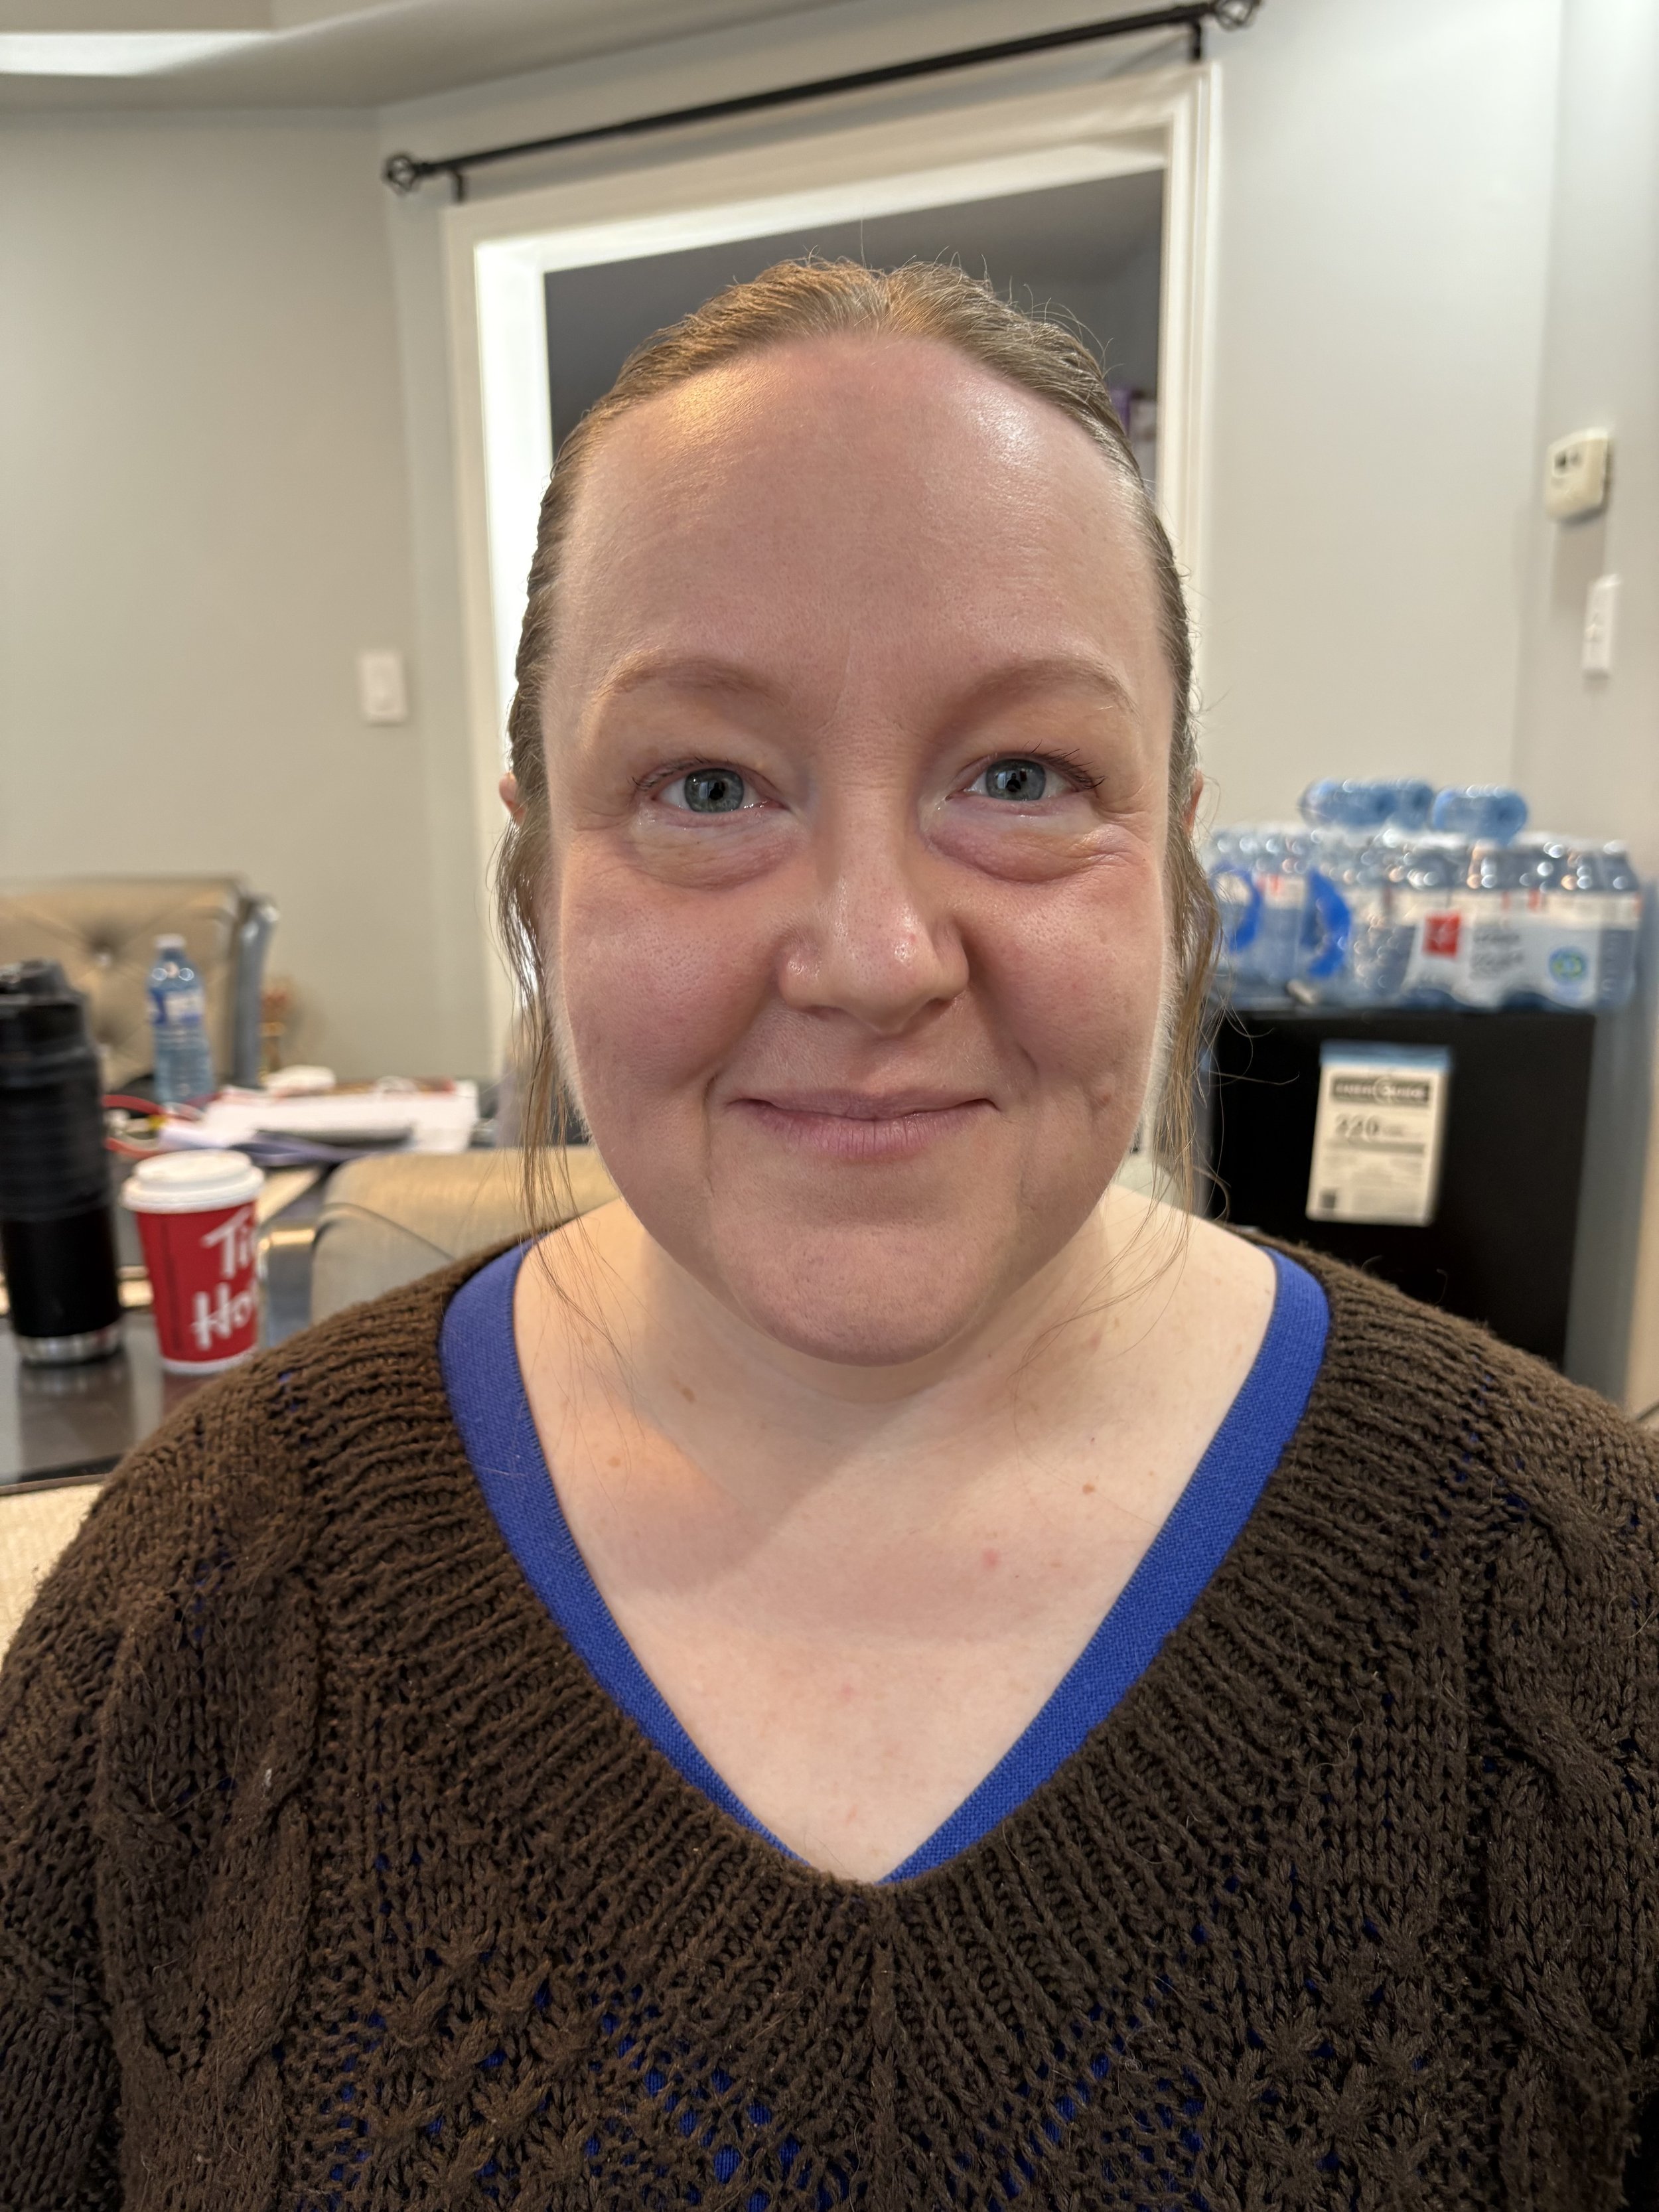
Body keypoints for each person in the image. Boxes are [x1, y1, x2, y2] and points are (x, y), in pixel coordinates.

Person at [3, 260, 1656, 2209]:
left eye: (1020, 778)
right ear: (536, 866)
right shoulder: (196, 1599)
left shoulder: (1586, 1608)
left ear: (1176, 857)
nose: (873, 956)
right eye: (705, 785)